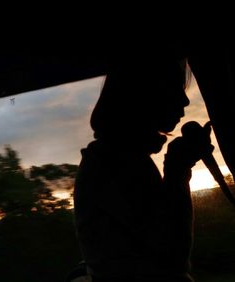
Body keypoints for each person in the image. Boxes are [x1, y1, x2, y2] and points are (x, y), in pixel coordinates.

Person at [73, 53, 213, 282]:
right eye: (174, 87)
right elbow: (172, 259)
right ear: (144, 94)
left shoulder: (116, 158)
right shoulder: (115, 163)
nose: (186, 101)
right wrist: (177, 168)